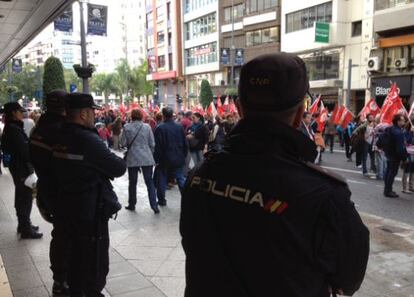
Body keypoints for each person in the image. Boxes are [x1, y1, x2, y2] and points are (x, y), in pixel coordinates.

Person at [180, 53, 369, 297]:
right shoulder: (324, 195)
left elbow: (192, 244)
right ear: (301, 114)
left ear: (239, 109)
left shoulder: (199, 175)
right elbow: (349, 278)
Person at [52, 93, 126, 297]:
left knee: (74, 257)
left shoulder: (59, 134)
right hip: (88, 212)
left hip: (65, 205)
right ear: (84, 114)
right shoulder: (87, 139)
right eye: (93, 111)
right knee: (93, 262)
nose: (95, 115)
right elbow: (118, 167)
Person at [29, 90, 70, 295]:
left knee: (59, 234)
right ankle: (64, 280)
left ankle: (59, 279)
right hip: (63, 192)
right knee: (66, 235)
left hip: (47, 190)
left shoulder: (39, 128)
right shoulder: (61, 131)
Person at [0, 102, 43, 239]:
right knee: (24, 198)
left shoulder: (11, 127)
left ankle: (24, 224)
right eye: (19, 111)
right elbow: (24, 151)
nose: (22, 114)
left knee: (22, 196)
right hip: (21, 168)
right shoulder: (14, 129)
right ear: (13, 113)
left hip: (17, 167)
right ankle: (26, 229)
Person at [121, 109, 159, 214]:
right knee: (149, 181)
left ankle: (132, 204)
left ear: (132, 116)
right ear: (141, 116)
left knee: (132, 182)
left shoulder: (126, 127)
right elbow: (152, 143)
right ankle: (154, 205)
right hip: (146, 157)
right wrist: (149, 152)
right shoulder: (147, 127)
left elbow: (123, 143)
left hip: (133, 157)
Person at [154, 107, 187, 206]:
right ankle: (187, 198)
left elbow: (158, 146)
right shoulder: (179, 127)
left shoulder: (160, 128)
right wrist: (183, 155)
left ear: (163, 116)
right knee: (180, 178)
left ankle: (161, 200)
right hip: (178, 157)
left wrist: (156, 159)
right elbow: (185, 143)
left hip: (165, 159)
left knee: (162, 179)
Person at [383, 114, 408, 198]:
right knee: (392, 173)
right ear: (398, 122)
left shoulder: (389, 129)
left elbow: (381, 140)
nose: (404, 122)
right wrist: (404, 158)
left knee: (388, 172)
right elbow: (400, 149)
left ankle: (386, 189)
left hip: (388, 154)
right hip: (394, 156)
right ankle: (388, 191)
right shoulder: (398, 133)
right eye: (403, 120)